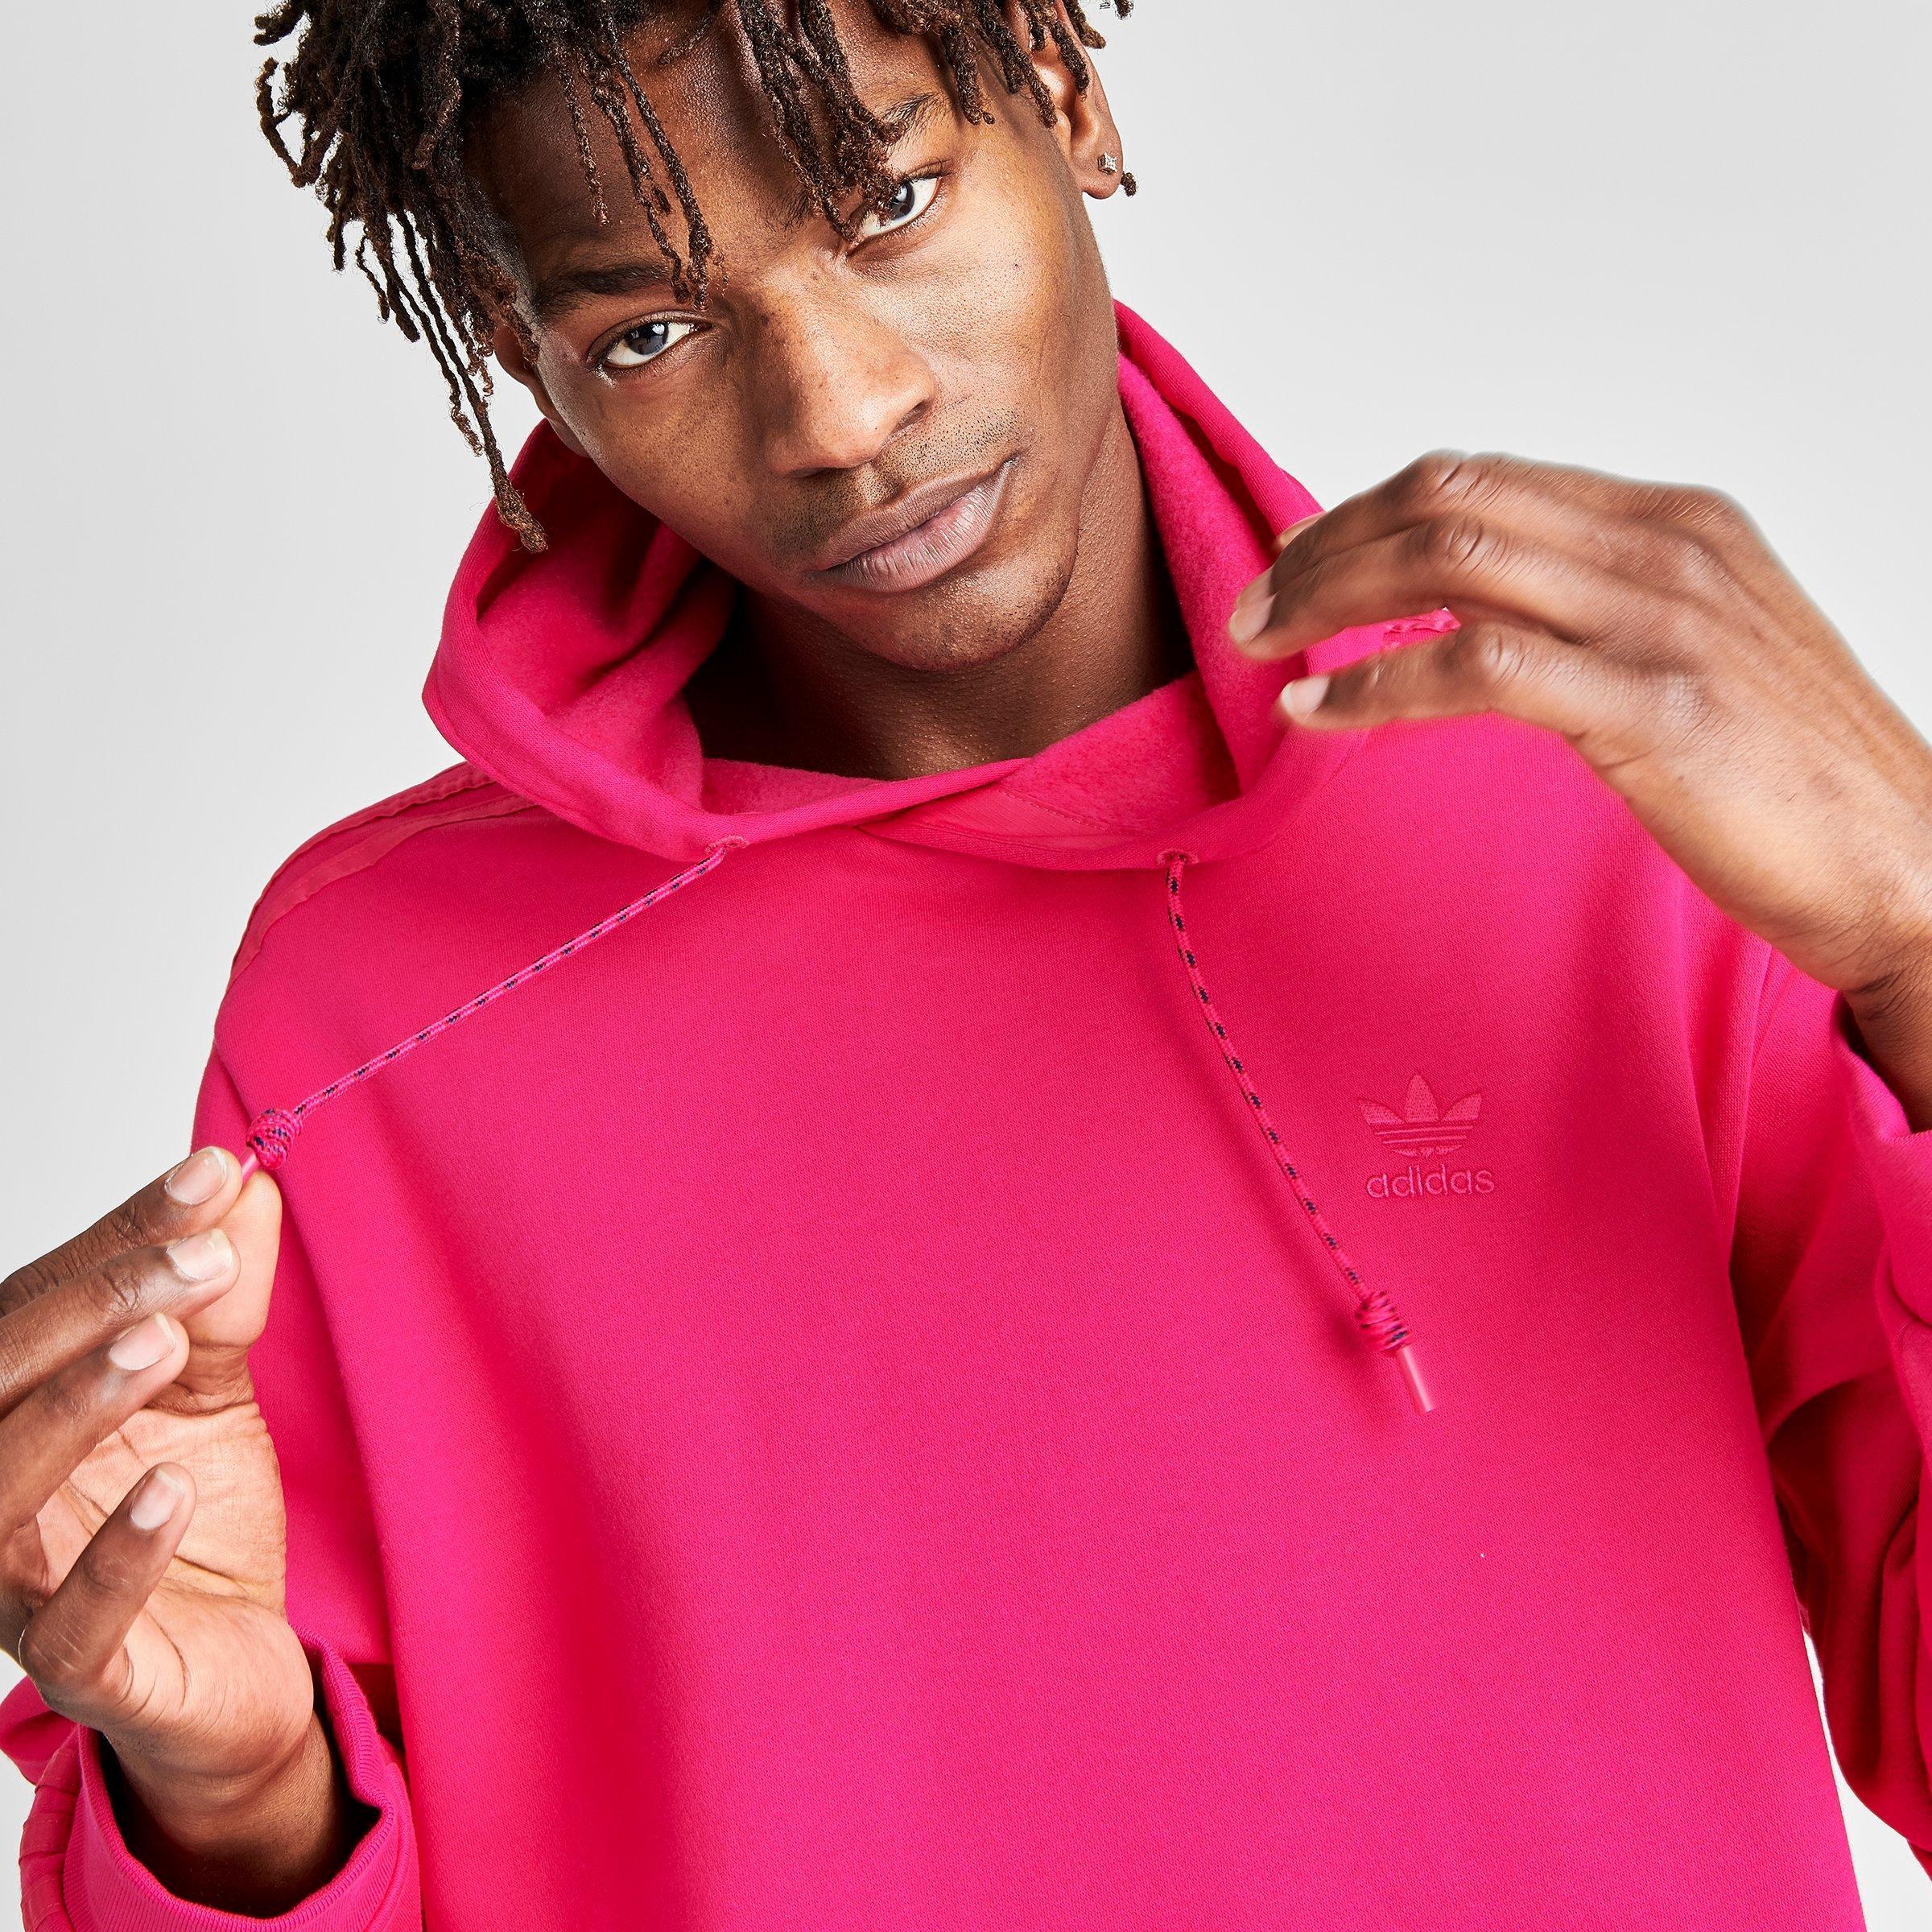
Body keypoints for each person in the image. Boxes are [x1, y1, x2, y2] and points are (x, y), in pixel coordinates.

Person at [5, 0, 1932, 1924]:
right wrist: (235, 1798)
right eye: (649, 333)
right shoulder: (384, 1008)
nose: (841, 414)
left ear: (1065, 91)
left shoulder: (1595, 790)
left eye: (889, 201)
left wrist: (1924, 955)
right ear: (525, 357)